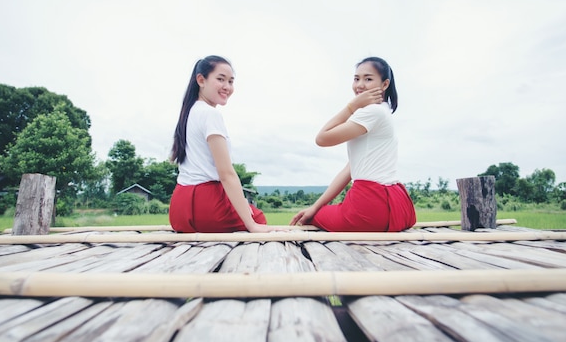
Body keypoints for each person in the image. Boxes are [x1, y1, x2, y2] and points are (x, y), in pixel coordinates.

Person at [290, 56, 416, 232]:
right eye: (356, 78)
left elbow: (322, 138)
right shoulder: (383, 111)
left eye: (368, 79)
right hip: (397, 205)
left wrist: (352, 107)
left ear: (385, 84)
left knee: (316, 218)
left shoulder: (372, 112)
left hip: (370, 207)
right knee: (319, 212)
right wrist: (316, 205)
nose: (360, 85)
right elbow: (349, 170)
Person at [169, 55, 282, 233]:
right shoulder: (210, 115)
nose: (227, 87)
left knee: (248, 211)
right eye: (220, 79)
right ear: (201, 80)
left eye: (230, 81)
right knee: (258, 218)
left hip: (178, 211)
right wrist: (251, 224)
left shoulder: (189, 112)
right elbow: (226, 174)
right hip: (206, 206)